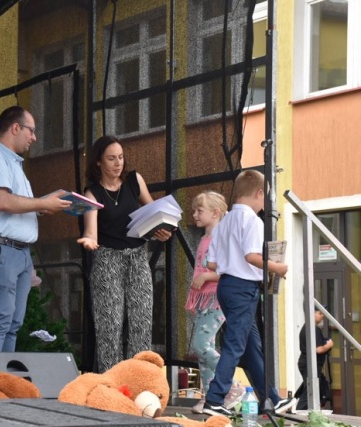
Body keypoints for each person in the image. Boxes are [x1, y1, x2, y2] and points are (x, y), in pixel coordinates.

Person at [0, 105, 71, 352]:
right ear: (15, 128)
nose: (34, 137)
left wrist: (45, 203)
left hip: (17, 251)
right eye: (31, 130)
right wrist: (43, 203)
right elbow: (2, 201)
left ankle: (1, 376)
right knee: (0, 318)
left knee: (12, 323)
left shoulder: (12, 163)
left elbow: (15, 206)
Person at [201, 170, 295, 417]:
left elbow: (212, 264)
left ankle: (271, 399)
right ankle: (214, 399)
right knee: (234, 345)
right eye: (266, 198)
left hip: (226, 287)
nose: (265, 204)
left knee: (251, 347)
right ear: (259, 193)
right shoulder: (253, 220)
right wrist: (277, 267)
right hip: (243, 289)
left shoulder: (224, 222)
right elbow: (251, 256)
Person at [77, 135, 171, 373]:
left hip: (137, 256)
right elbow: (91, 231)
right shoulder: (92, 193)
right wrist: (89, 240)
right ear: (99, 161)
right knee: (110, 325)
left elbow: (153, 211)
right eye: (111, 158)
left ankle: (140, 377)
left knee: (142, 320)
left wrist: (160, 228)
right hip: (108, 259)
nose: (118, 163)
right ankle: (112, 382)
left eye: (120, 157)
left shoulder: (134, 180)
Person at [185, 191, 245, 414]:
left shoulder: (223, 238)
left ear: (215, 213)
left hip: (216, 298)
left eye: (199, 211)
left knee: (201, 345)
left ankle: (232, 385)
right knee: (203, 352)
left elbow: (230, 268)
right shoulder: (204, 238)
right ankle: (211, 397)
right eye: (194, 211)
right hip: (204, 299)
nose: (194, 215)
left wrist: (206, 277)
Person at [295, 305, 333, 411]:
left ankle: (314, 411)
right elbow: (318, 349)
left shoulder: (308, 327)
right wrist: (329, 345)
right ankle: (298, 413)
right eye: (320, 313)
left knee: (319, 387)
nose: (322, 316)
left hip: (309, 363)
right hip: (310, 364)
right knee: (310, 390)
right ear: (312, 313)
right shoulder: (313, 329)